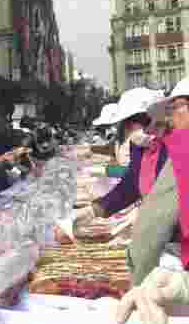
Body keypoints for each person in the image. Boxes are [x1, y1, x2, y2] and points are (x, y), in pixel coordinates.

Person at [67, 88, 167, 234]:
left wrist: (106, 171)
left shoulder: (170, 147)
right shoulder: (137, 144)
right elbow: (131, 184)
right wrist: (90, 211)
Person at [127, 79, 189, 285]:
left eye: (173, 110)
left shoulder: (183, 147)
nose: (170, 120)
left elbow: (152, 227)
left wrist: (137, 283)